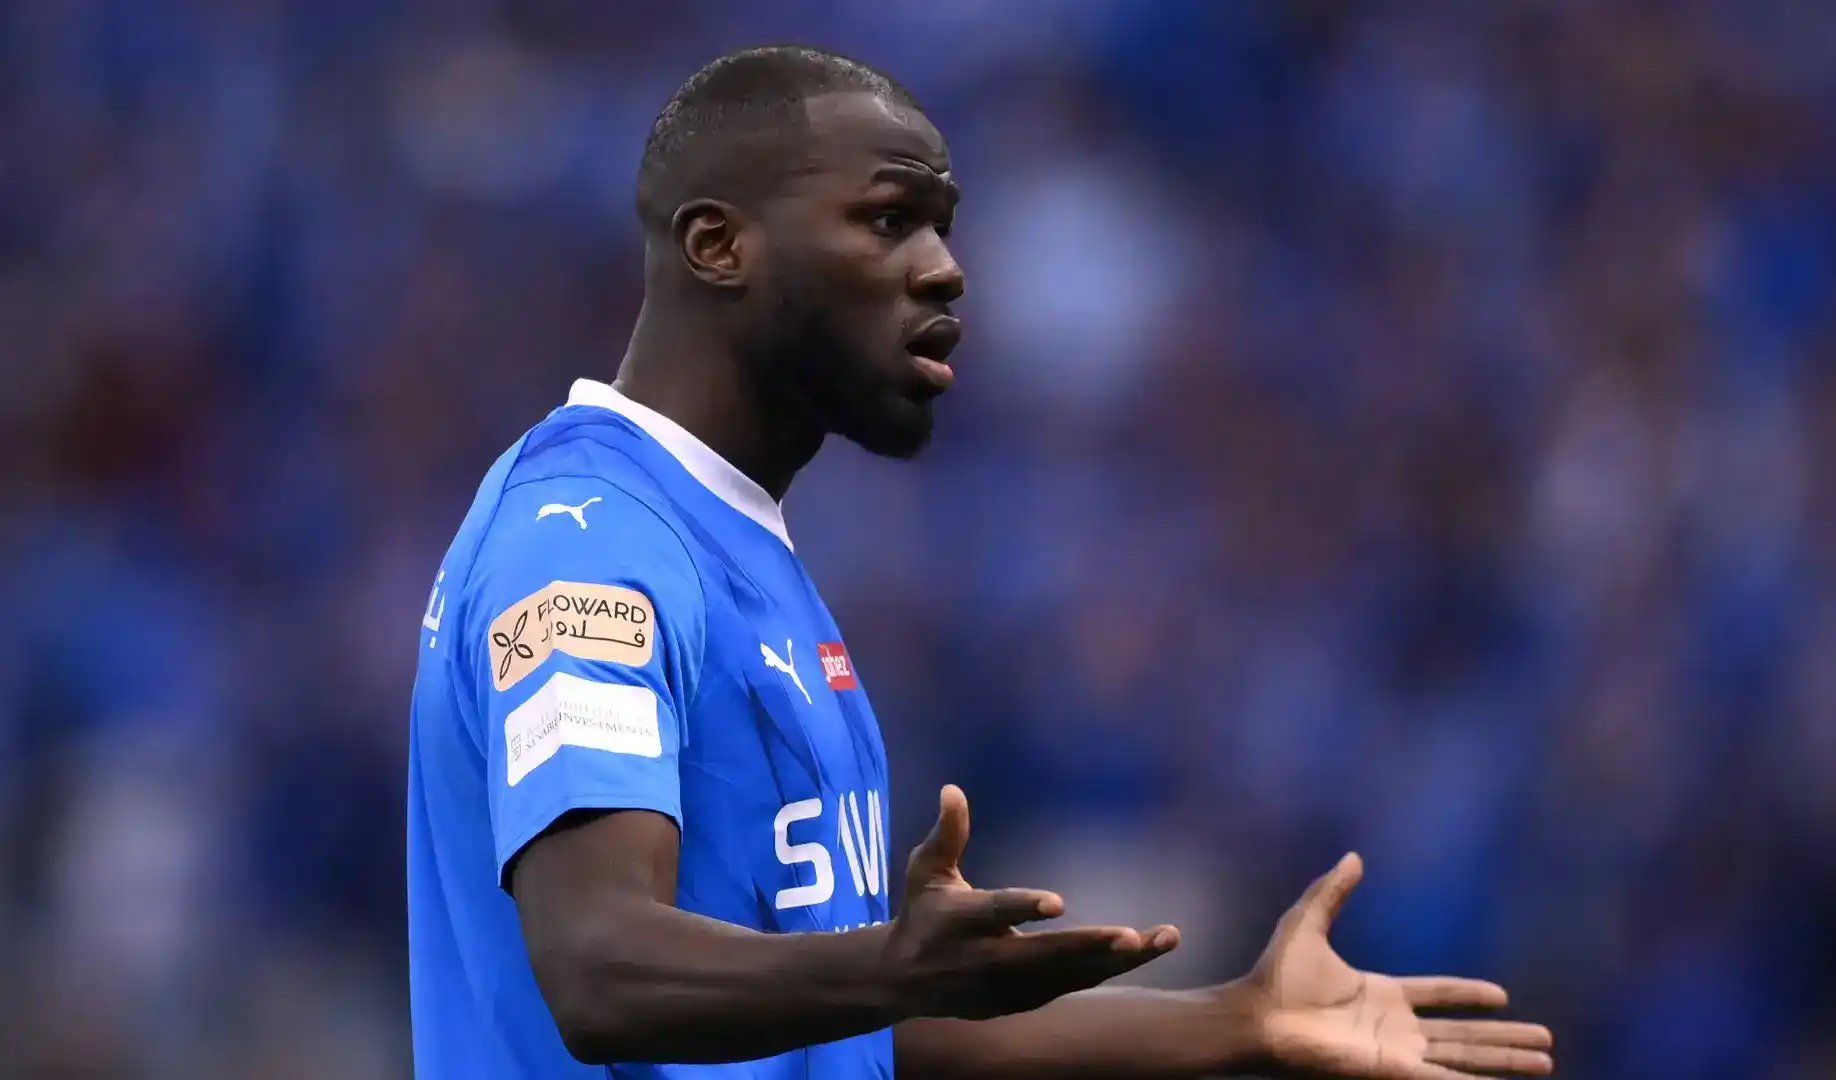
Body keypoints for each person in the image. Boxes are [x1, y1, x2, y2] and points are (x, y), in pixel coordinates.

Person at [405, 44, 1555, 1080]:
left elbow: (835, 1017)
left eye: (942, 226)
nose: (946, 269)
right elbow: (600, 969)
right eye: (887, 220)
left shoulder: (733, 543)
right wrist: (891, 966)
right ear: (719, 245)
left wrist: (1236, 1023)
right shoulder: (588, 543)